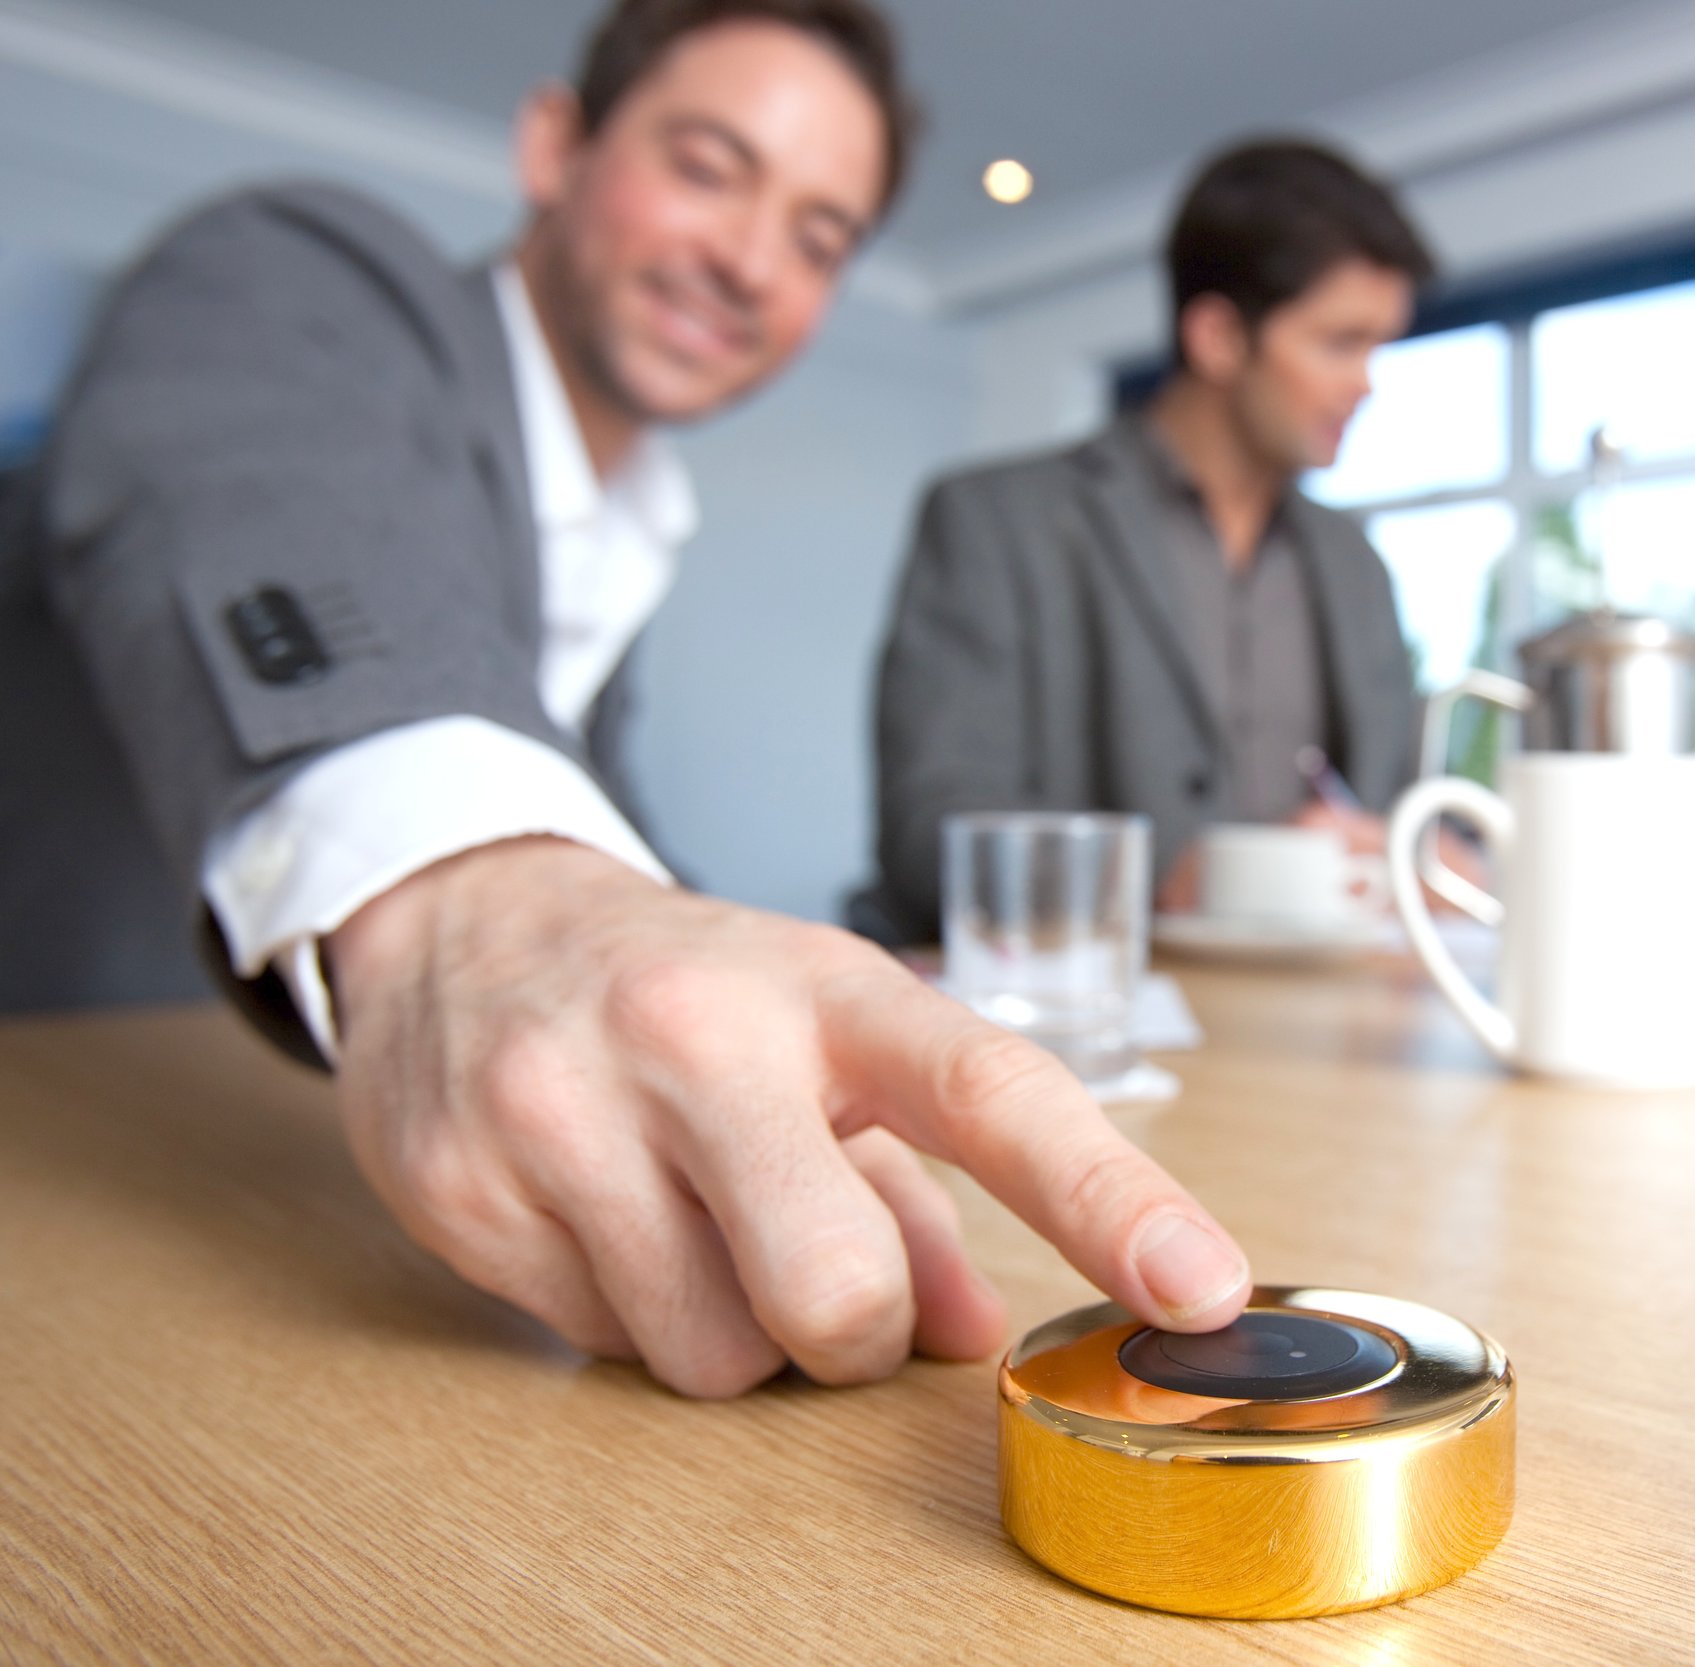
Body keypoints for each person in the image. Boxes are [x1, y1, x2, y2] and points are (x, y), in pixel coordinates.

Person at [27, 0, 1250, 1398]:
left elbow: (614, 849)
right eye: (708, 166)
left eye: (816, 236)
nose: (745, 260)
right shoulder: (305, 281)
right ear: (557, 144)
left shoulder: (624, 538)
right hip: (79, 1152)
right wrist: (480, 905)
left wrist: (803, 977)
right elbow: (262, 485)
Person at [858, 139, 1436, 943]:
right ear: (1219, 338)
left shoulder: (1353, 564)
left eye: (1380, 345)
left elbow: (1397, 805)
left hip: (1326, 1027)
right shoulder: (997, 519)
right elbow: (931, 826)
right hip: (1081, 1016)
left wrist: (1431, 860)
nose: (1366, 382)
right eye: (1340, 342)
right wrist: (1181, 875)